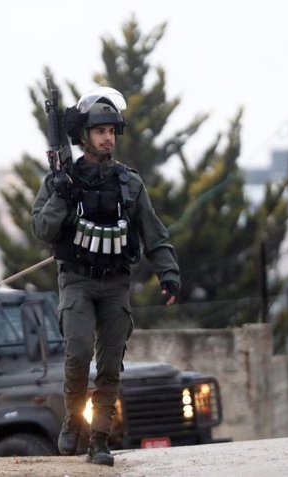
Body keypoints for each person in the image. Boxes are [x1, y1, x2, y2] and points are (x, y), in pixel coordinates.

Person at [31, 87, 180, 466]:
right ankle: (72, 417)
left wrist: (168, 273)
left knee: (111, 364)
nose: (108, 137)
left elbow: (153, 232)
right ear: (85, 136)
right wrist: (61, 195)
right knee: (78, 353)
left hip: (115, 282)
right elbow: (42, 231)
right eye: (100, 131)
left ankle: (99, 439)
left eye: (113, 130)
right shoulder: (60, 180)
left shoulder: (129, 183)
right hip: (77, 279)